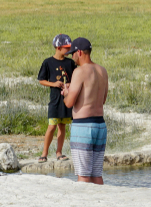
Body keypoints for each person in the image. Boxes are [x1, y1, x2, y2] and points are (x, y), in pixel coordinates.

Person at [62, 37, 109, 184]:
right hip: (100, 125)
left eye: (73, 54)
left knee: (83, 175)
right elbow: (103, 100)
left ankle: (84, 206)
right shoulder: (102, 70)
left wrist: (65, 93)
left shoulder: (80, 71)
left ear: (80, 52)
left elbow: (69, 103)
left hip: (83, 126)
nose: (72, 57)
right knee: (96, 174)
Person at [37, 33, 76, 163]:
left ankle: (59, 152)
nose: (69, 50)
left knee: (62, 126)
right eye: (66, 48)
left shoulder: (70, 63)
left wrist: (70, 84)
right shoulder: (48, 62)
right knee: (51, 126)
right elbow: (41, 80)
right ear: (58, 47)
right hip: (54, 100)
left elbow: (76, 78)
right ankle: (44, 153)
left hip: (66, 99)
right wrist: (53, 84)